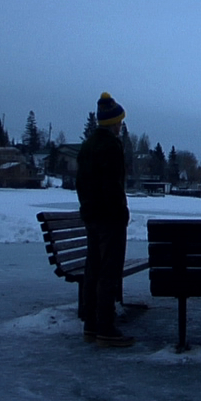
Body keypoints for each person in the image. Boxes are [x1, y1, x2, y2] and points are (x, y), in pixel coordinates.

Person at [76, 92, 134, 348]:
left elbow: (82, 184)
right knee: (109, 272)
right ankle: (106, 328)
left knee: (93, 270)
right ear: (112, 123)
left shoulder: (87, 146)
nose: (121, 126)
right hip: (109, 218)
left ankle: (91, 325)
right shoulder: (110, 146)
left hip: (92, 217)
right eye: (119, 122)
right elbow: (112, 185)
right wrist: (121, 211)